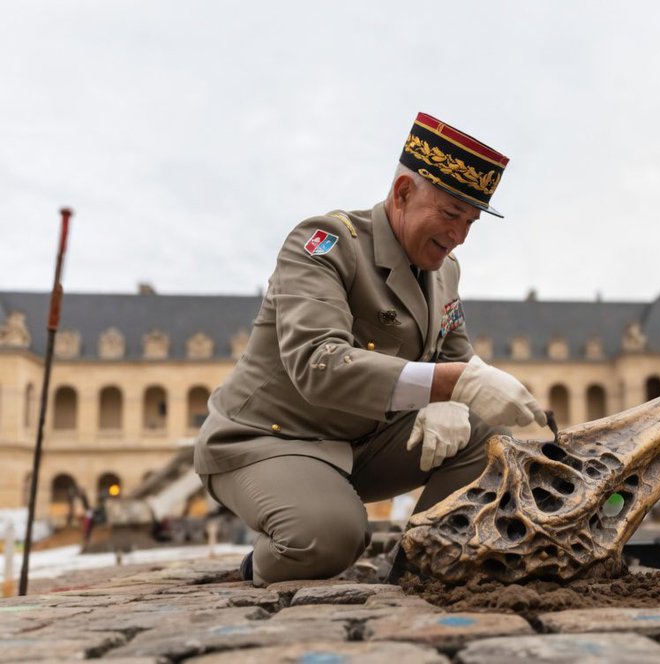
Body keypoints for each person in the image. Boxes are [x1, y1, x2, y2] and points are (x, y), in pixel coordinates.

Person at [195, 113, 549, 586]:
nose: (460, 235)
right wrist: (448, 386)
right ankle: (259, 562)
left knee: (490, 438)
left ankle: (420, 561)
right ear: (403, 193)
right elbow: (317, 363)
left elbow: (455, 359)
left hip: (363, 444)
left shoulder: (446, 272)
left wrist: (459, 394)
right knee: (328, 538)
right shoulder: (325, 243)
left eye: (470, 221)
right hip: (271, 439)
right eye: (449, 215)